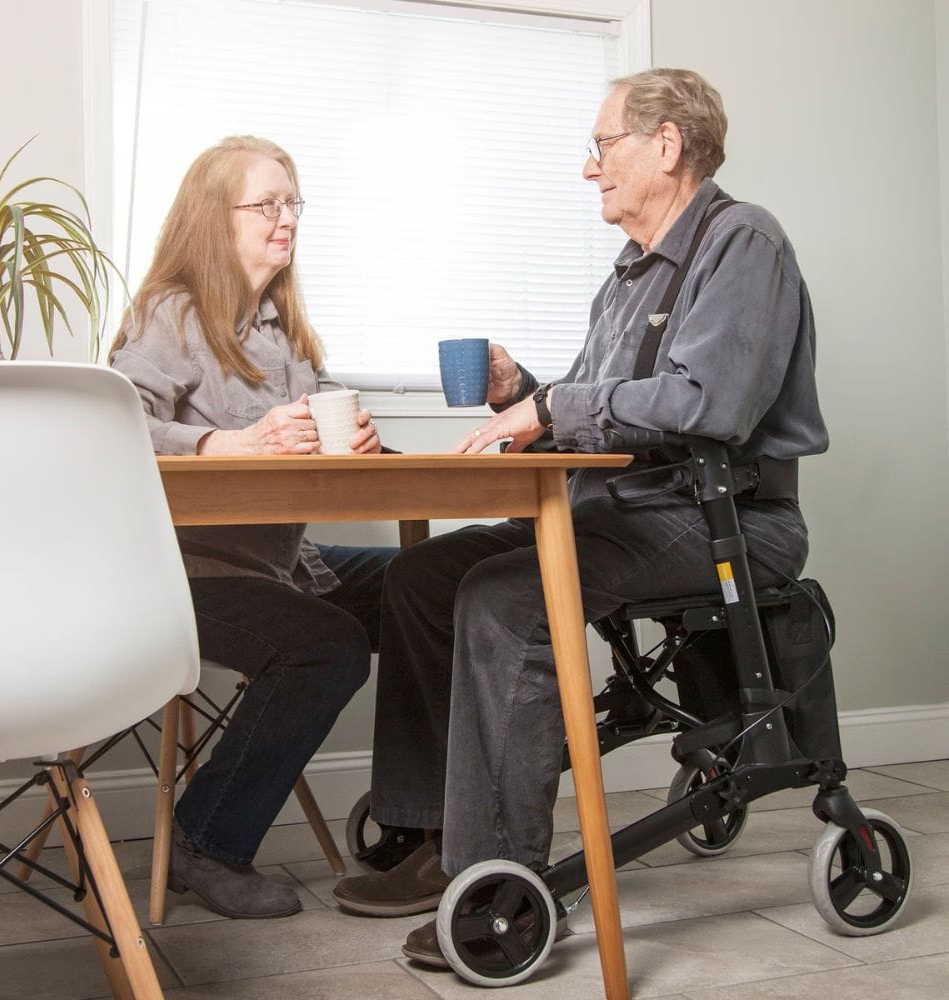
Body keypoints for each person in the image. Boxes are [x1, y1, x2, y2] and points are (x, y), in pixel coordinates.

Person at [332, 68, 828, 965]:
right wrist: (520, 390)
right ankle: (426, 833)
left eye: (602, 146)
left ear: (666, 146)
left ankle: (497, 880)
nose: (589, 168)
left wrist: (551, 406)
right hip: (622, 512)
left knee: (504, 596)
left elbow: (706, 403)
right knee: (419, 577)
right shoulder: (627, 277)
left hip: (722, 521)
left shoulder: (743, 242)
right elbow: (606, 407)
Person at [110, 135, 395, 920]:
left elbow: (331, 415)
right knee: (325, 645)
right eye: (266, 204)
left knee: (428, 587)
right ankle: (206, 842)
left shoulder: (285, 331)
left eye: (292, 202)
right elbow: (116, 419)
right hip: (183, 573)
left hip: (278, 565)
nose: (286, 218)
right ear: (215, 217)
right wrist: (217, 443)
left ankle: (416, 815)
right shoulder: (171, 313)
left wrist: (362, 438)